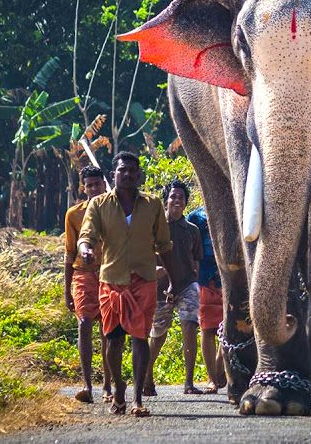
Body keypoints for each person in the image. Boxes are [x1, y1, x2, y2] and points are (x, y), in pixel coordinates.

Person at [78, 152, 175, 417]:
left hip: (144, 280)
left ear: (139, 175)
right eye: (123, 170)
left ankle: (137, 399)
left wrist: (175, 280)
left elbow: (164, 246)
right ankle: (118, 387)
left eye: (133, 170)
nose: (128, 174)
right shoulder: (98, 205)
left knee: (140, 337)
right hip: (111, 281)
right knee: (113, 339)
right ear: (114, 174)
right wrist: (86, 249)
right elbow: (86, 236)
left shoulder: (153, 204)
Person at [143, 179, 204, 396]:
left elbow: (196, 259)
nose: (177, 200)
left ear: (186, 203)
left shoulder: (192, 230)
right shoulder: (155, 228)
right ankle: (146, 377)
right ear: (166, 200)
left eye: (181, 197)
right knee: (158, 334)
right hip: (160, 290)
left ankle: (188, 383)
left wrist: (193, 276)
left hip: (187, 286)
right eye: (173, 196)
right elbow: (146, 256)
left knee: (190, 328)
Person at [64, 165, 112, 404]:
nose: (93, 188)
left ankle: (107, 384)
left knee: (108, 329)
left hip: (108, 274)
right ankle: (87, 385)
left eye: (97, 184)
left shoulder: (114, 209)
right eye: (89, 185)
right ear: (83, 188)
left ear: (104, 184)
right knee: (84, 323)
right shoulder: (73, 214)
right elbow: (70, 252)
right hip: (82, 274)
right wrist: (66, 290)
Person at [187, 206, 227, 394]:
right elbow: (188, 245)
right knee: (207, 329)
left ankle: (220, 371)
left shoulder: (232, 209)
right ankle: (212, 378)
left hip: (229, 278)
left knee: (227, 329)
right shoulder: (195, 216)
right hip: (204, 278)